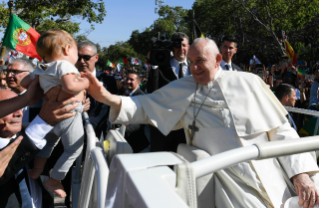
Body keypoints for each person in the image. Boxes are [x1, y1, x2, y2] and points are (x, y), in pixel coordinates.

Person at [85, 38, 319, 208]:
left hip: (273, 171)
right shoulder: (183, 88)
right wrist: (105, 96)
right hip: (230, 179)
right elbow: (143, 107)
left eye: (200, 61)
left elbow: (282, 131)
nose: (194, 67)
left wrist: (300, 174)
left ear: (218, 59)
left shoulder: (249, 82)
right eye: (191, 61)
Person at [21, 29, 89, 198]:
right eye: (76, 51)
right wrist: (87, 82)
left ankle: (37, 170)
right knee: (74, 147)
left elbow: (23, 82)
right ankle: (55, 179)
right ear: (67, 49)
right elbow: (70, 87)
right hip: (68, 113)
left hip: (50, 114)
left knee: (48, 143)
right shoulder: (64, 65)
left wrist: (37, 84)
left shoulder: (41, 67)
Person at [147, 32, 190, 152]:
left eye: (184, 45)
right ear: (171, 47)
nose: (181, 49)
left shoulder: (196, 67)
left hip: (188, 130)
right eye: (177, 45)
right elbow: (152, 92)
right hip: (163, 130)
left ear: (188, 47)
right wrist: (154, 65)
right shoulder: (161, 66)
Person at [76, 40, 118, 138]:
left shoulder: (108, 80)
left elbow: (113, 107)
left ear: (96, 57)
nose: (82, 61)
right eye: (78, 57)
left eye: (86, 57)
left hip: (98, 135)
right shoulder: (67, 80)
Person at [5, 58, 39, 123]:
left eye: (15, 71)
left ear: (30, 75)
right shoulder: (3, 98)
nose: (9, 75)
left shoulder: (41, 99)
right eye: (8, 72)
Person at [123, 72, 149, 152]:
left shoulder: (141, 97)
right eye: (127, 79)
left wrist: (124, 129)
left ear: (138, 82)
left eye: (131, 80)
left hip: (137, 144)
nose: (128, 81)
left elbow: (140, 122)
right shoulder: (126, 94)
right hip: (126, 142)